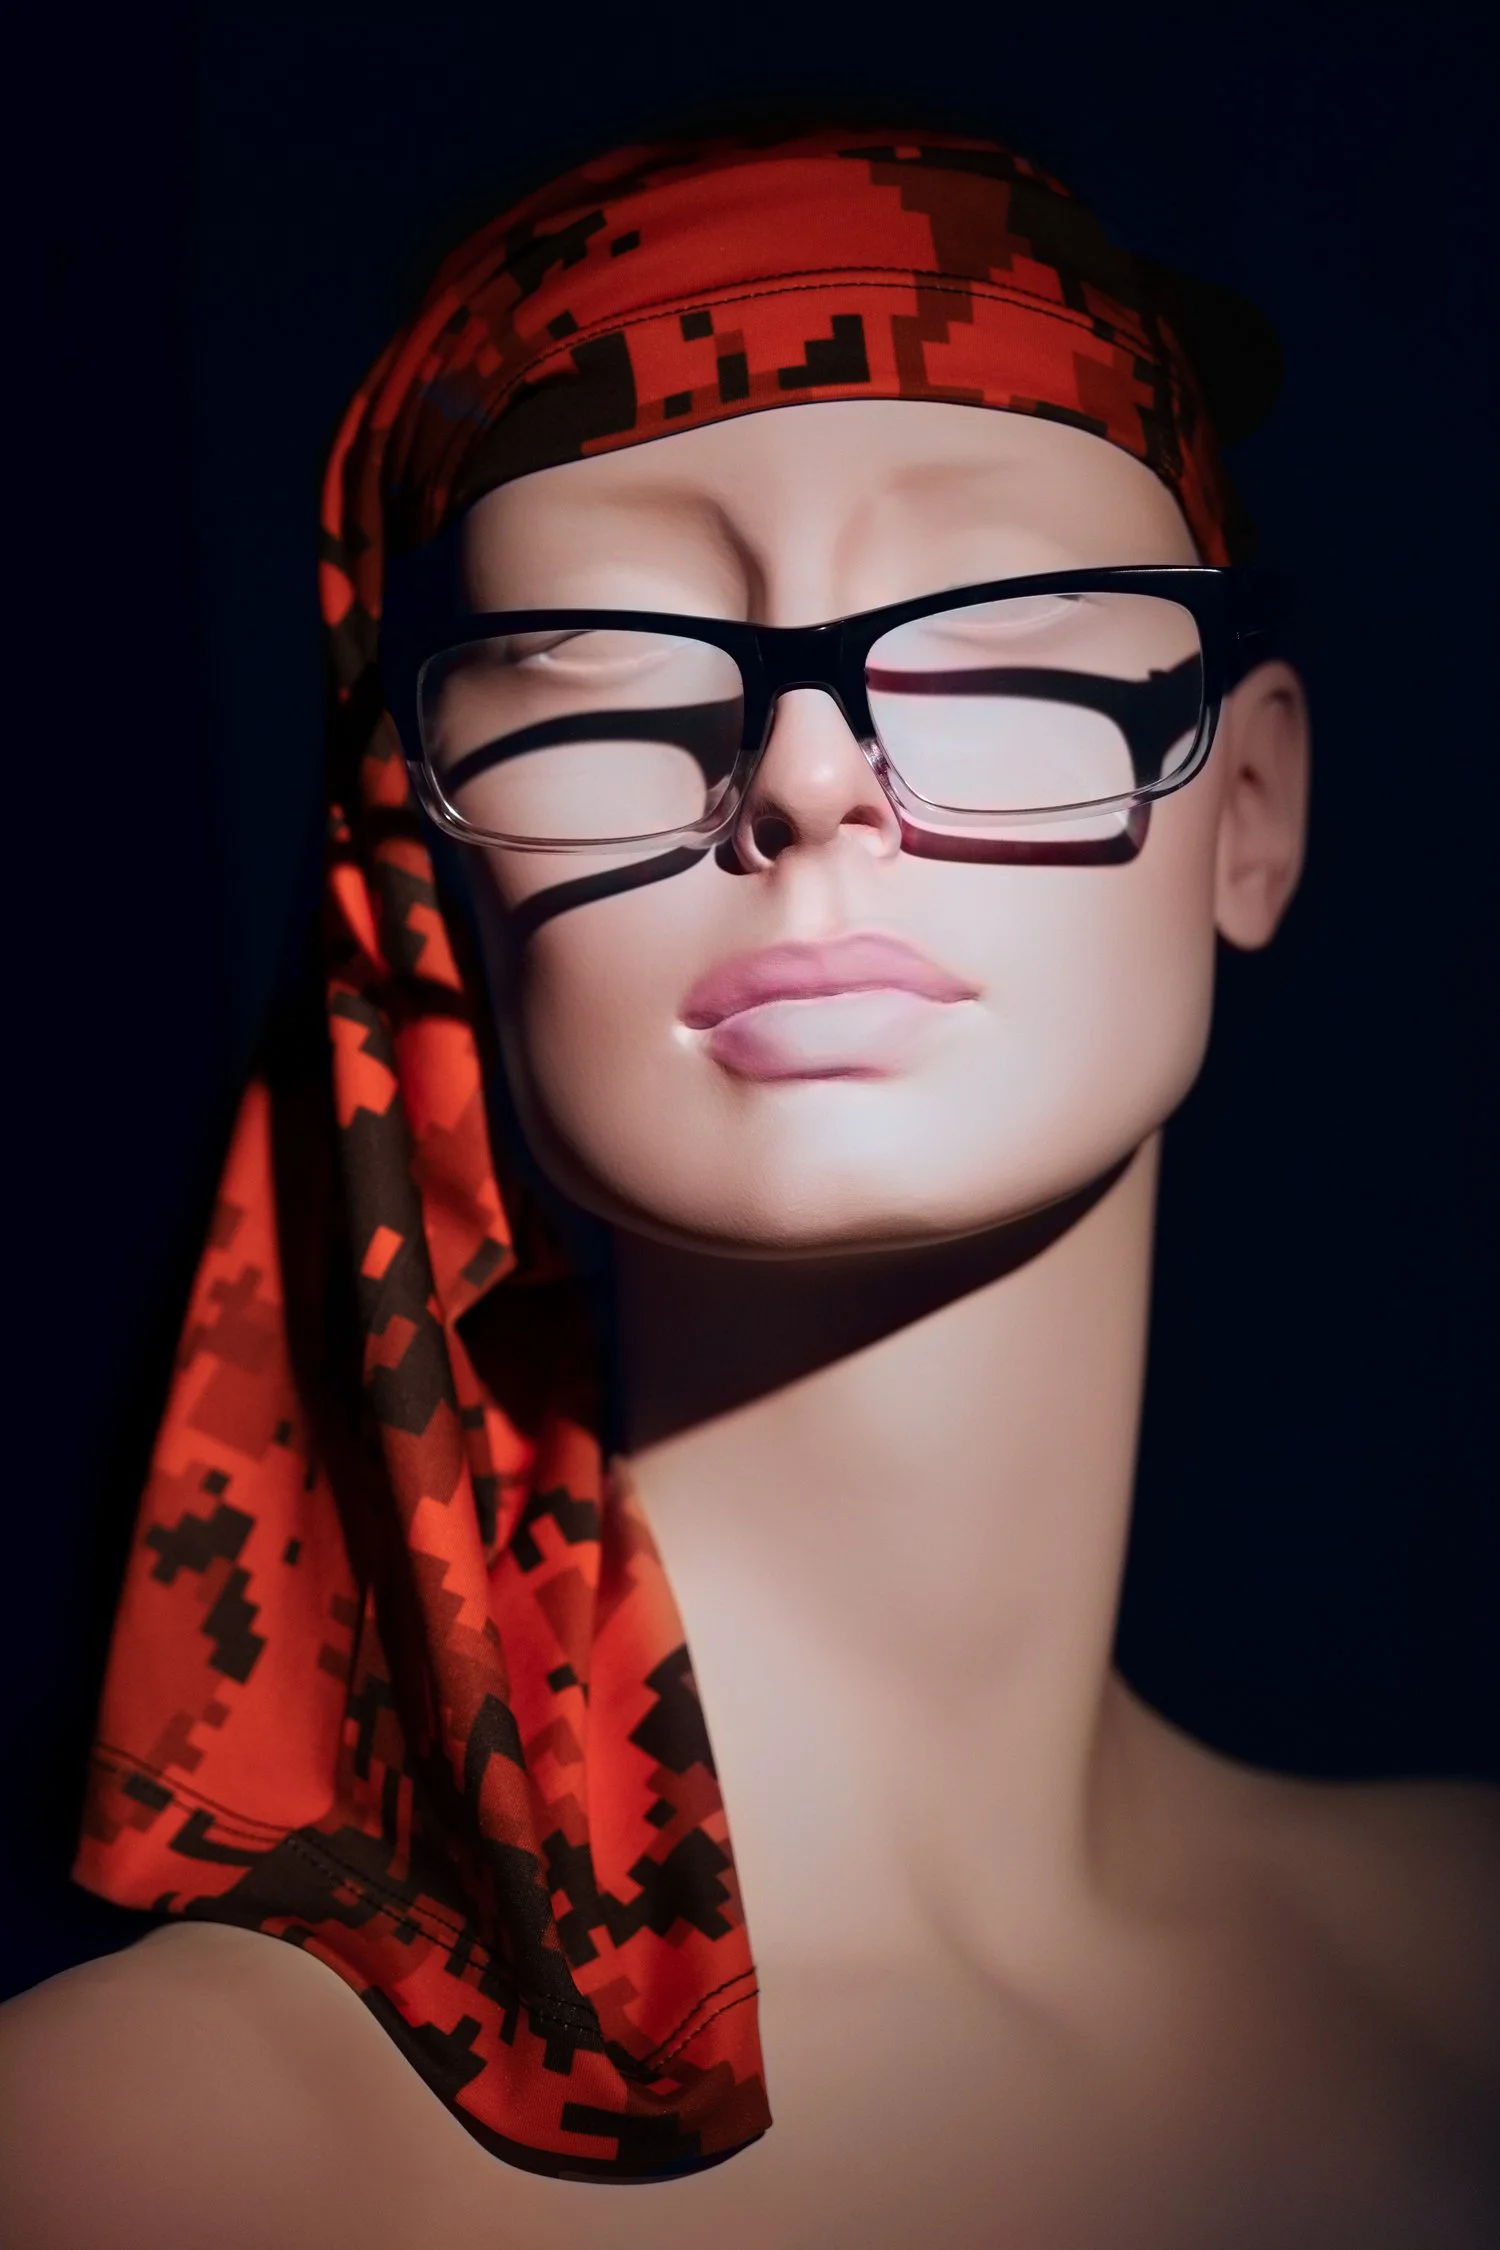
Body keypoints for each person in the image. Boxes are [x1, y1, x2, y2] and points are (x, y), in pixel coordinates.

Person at [1, 120, 1495, 2250]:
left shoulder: (1466, 1961)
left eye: (1003, 642)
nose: (806, 780)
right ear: (434, 870)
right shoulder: (141, 2168)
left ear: (1245, 807)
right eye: (600, 676)